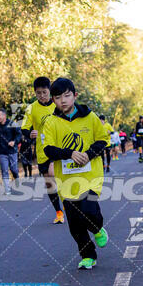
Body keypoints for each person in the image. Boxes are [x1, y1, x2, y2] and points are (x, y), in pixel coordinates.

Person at [43, 78, 110, 269]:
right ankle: (88, 255)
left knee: (89, 211)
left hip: (90, 178)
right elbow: (48, 149)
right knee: (74, 223)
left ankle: (97, 229)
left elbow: (103, 140)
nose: (63, 101)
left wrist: (88, 155)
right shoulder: (52, 122)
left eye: (67, 95)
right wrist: (69, 154)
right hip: (67, 182)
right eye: (58, 97)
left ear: (75, 95)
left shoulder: (90, 117)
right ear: (53, 100)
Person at [21, 77, 64, 223]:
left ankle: (71, 205)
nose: (42, 96)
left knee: (54, 174)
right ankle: (59, 212)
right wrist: (29, 133)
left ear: (50, 90)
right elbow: (25, 128)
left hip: (59, 148)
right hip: (42, 151)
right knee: (49, 184)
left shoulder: (58, 103)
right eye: (38, 93)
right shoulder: (32, 108)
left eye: (44, 92)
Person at [0, 108, 21, 195]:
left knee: (14, 169)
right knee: (4, 170)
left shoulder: (12, 124)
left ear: (4, 116)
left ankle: (16, 177)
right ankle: (7, 189)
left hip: (12, 151)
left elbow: (19, 134)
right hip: (2, 152)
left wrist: (14, 141)